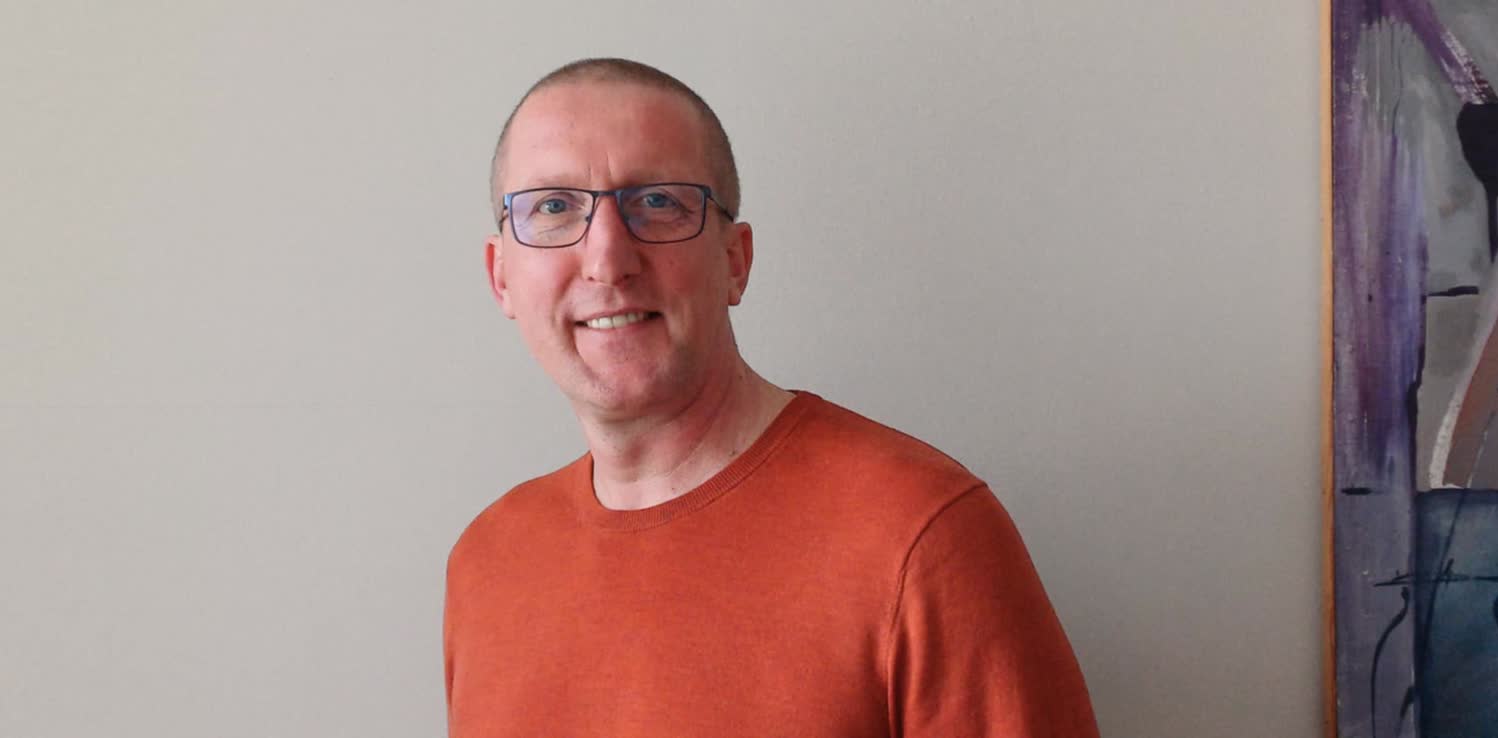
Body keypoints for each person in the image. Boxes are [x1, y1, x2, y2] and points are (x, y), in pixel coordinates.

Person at [444, 57, 1099, 737]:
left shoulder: (923, 537)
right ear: (501, 277)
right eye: (554, 207)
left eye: (658, 203)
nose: (607, 259)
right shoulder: (487, 564)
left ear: (736, 261)